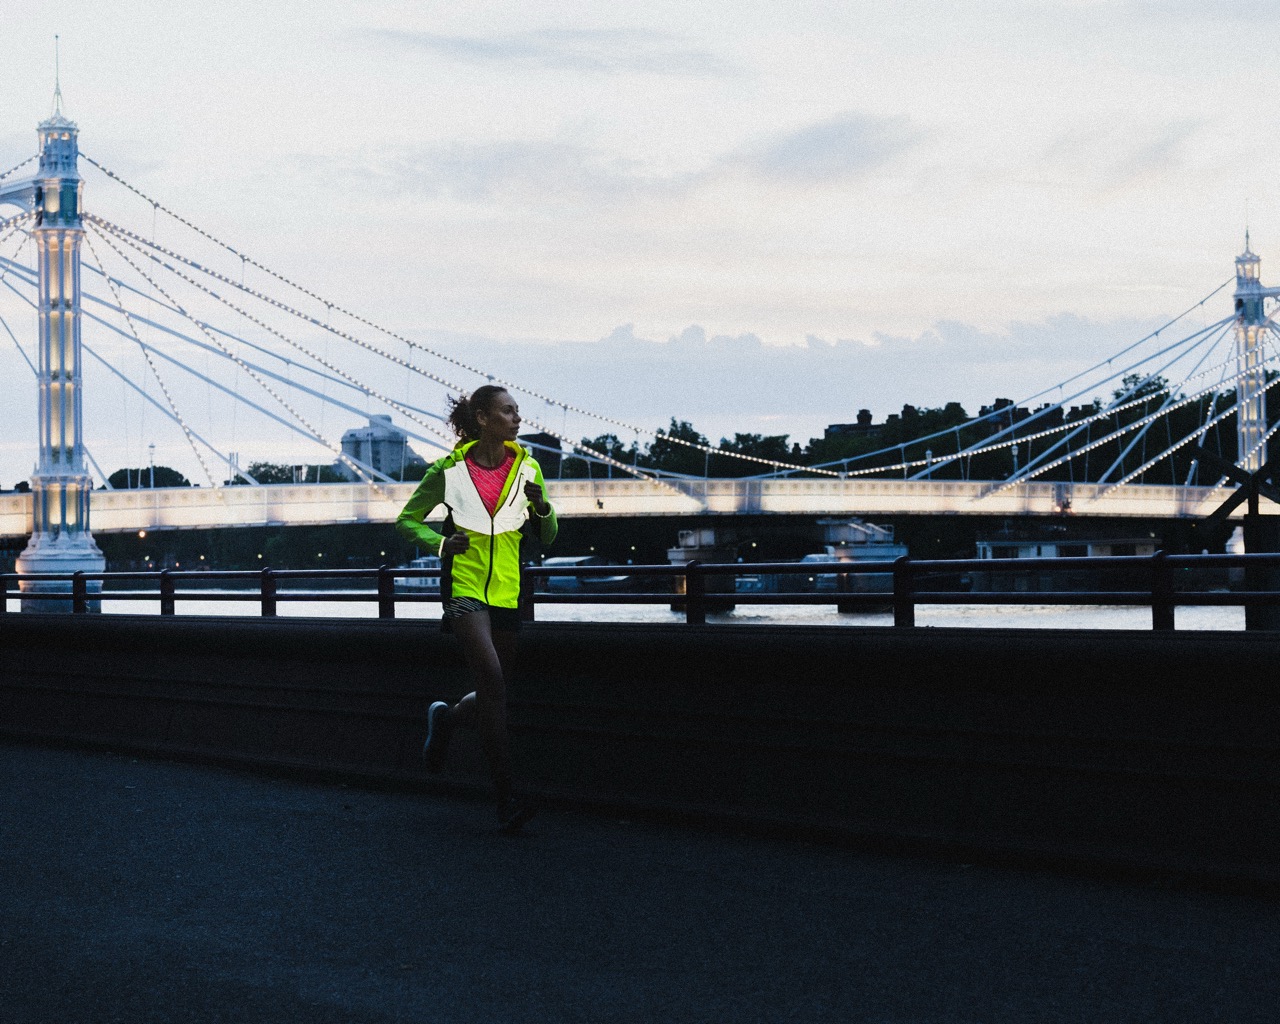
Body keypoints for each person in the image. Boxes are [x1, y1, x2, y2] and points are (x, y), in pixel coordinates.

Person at [395, 385, 557, 832]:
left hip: (507, 590)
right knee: (491, 680)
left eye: (517, 411)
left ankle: (446, 720)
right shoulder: (449, 472)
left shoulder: (528, 468)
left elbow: (548, 536)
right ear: (483, 418)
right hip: (464, 587)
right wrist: (442, 542)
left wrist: (543, 510)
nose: (517, 419)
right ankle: (506, 800)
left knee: (494, 690)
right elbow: (406, 521)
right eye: (508, 411)